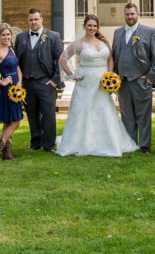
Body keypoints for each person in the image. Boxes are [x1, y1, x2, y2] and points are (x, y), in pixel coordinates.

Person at [56, 14, 138, 157]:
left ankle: (109, 142)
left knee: (105, 110)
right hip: (86, 83)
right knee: (85, 112)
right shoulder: (78, 44)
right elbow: (62, 59)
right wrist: (72, 74)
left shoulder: (103, 42)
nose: (92, 28)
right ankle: (84, 143)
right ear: (84, 27)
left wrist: (110, 75)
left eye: (94, 26)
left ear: (97, 27)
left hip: (102, 83)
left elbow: (110, 59)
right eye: (89, 25)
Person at [111, 2, 155, 153]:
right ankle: (130, 143)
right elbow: (115, 54)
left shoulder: (149, 32)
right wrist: (115, 76)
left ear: (138, 14)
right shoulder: (118, 32)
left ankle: (145, 145)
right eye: (127, 14)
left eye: (132, 14)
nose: (130, 16)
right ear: (124, 16)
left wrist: (150, 78)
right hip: (123, 82)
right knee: (126, 115)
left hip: (141, 80)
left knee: (143, 115)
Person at [13, 8, 63, 153]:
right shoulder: (21, 38)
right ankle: (35, 143)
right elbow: (17, 61)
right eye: (31, 20)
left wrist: (54, 80)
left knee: (48, 115)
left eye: (36, 19)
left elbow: (60, 60)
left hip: (45, 82)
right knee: (32, 114)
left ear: (42, 19)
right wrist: (19, 81)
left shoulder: (53, 36)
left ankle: (48, 145)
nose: (33, 22)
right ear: (28, 21)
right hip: (27, 82)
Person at [0, 23, 23, 161]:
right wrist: (2, 81)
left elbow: (18, 68)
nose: (6, 37)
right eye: (3, 35)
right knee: (16, 121)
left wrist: (19, 82)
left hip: (16, 88)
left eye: (8, 34)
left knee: (8, 121)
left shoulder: (11, 50)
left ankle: (7, 153)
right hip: (7, 89)